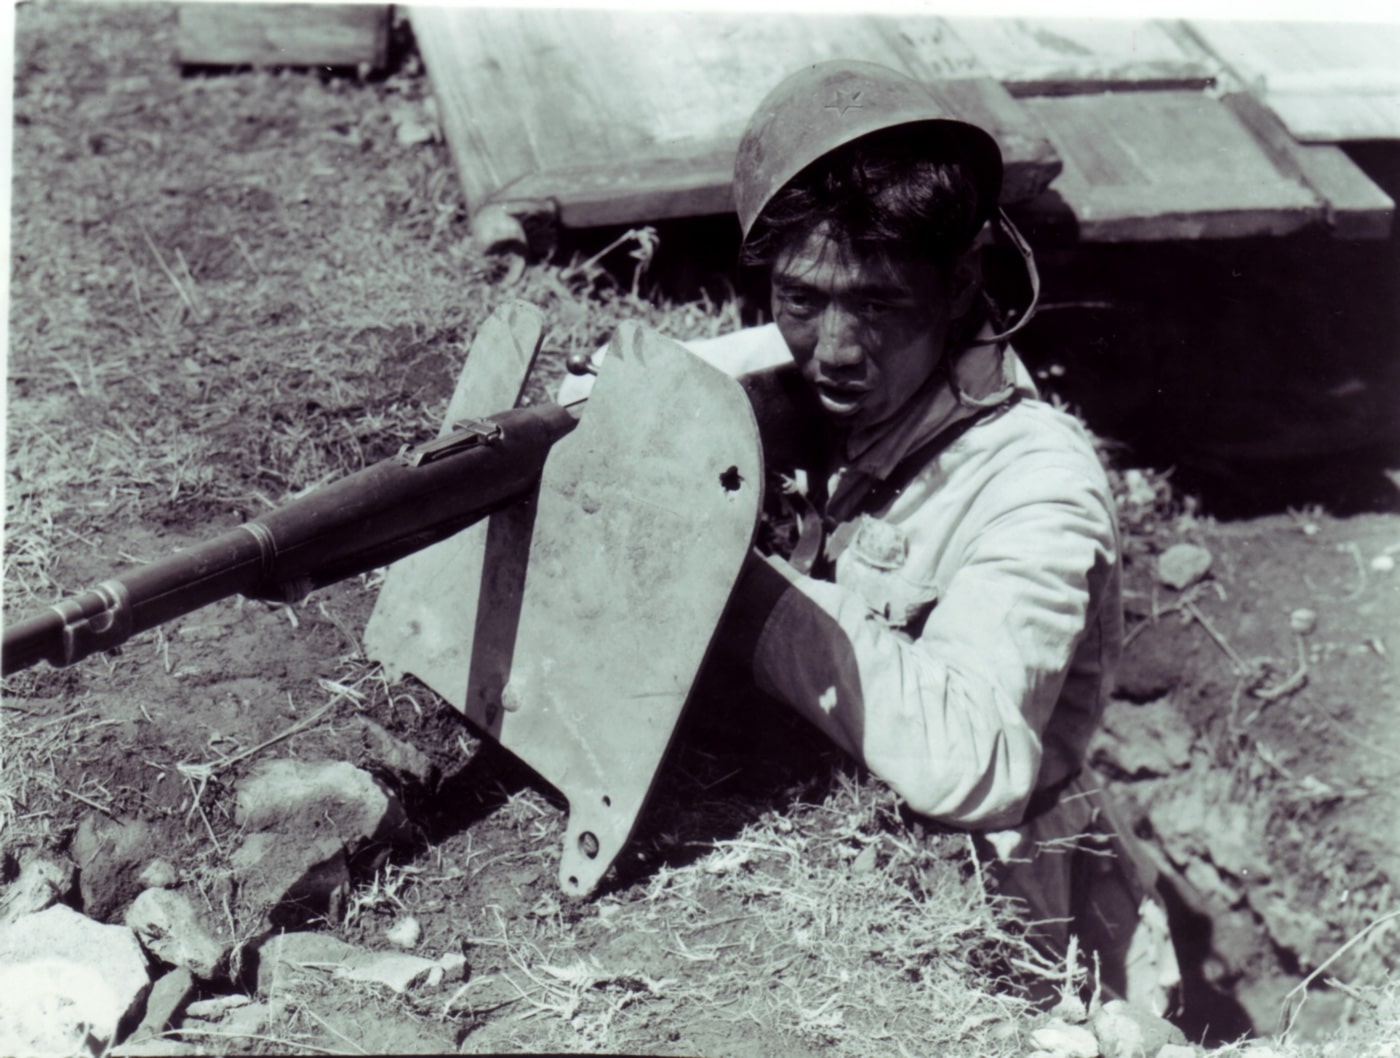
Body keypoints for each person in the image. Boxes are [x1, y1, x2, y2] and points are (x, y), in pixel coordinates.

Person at [706, 60, 1180, 1011]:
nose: (834, 349)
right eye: (801, 300)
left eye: (878, 305)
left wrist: (737, 584)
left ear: (961, 283)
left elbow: (979, 760)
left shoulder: (1037, 482)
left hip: (998, 906)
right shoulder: (807, 368)